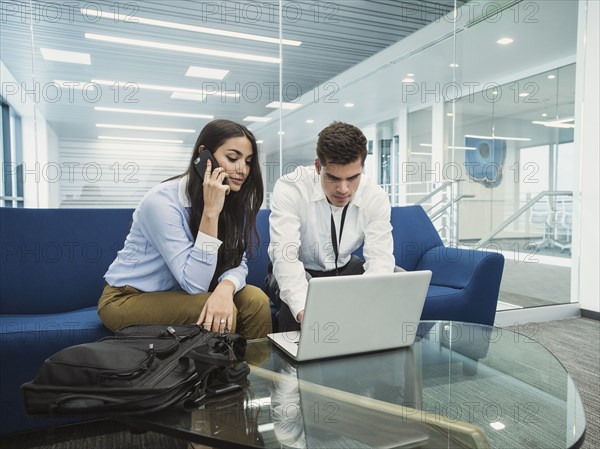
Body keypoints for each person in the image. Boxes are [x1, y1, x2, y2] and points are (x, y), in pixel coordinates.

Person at [98, 119, 272, 340]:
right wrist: (211, 212)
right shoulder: (162, 201)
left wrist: (225, 288)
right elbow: (195, 285)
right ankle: (225, 375)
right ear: (204, 155)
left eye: (248, 161)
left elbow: (238, 261)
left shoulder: (230, 200)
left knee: (256, 300)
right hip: (127, 298)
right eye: (232, 158)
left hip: (180, 295)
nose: (243, 170)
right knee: (212, 309)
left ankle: (257, 374)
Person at [266, 121, 398, 332]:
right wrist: (302, 308)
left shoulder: (375, 195)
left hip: (345, 268)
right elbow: (286, 257)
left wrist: (372, 300)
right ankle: (292, 362)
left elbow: (380, 256)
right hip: (301, 268)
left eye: (353, 177)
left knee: (394, 279)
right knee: (296, 304)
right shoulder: (290, 187)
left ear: (362, 168)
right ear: (318, 167)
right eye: (333, 178)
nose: (343, 189)